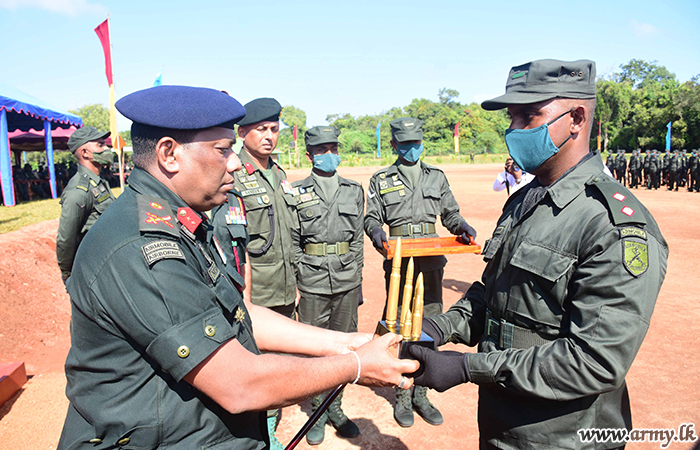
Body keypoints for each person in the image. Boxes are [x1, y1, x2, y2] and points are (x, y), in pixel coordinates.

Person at [57, 85, 419, 450]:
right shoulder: (144, 245)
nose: (233, 162)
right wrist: (355, 366)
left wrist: (345, 343)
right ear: (169, 154)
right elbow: (240, 384)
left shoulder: (177, 220)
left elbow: (235, 313)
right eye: (222, 149)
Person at [408, 59, 668, 449]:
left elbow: (593, 362)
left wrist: (467, 367)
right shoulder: (525, 201)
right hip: (502, 427)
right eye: (511, 118)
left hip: (565, 438)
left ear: (577, 118)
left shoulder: (612, 226)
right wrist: (438, 328)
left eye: (529, 116)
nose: (514, 131)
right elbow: (494, 295)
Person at [364, 117, 477, 428]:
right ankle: (403, 392)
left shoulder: (436, 177)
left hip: (430, 261)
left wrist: (462, 227)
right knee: (399, 325)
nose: (412, 149)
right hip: (400, 263)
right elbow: (372, 216)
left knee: (429, 326)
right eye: (406, 144)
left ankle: (422, 393)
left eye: (417, 143)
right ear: (394, 145)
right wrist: (375, 231)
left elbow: (450, 213)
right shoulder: (382, 178)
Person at [210, 97, 297, 448]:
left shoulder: (279, 174)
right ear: (242, 132)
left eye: (274, 130)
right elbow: (226, 241)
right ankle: (265, 432)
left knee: (280, 362)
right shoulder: (232, 174)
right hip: (253, 291)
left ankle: (270, 422)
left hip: (285, 287)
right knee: (253, 365)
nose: (269, 136)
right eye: (261, 129)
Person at [290, 125, 365, 445]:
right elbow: (293, 241)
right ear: (310, 156)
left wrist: (358, 278)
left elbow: (358, 239)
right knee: (315, 349)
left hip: (347, 277)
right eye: (322, 150)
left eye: (333, 148)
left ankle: (337, 408)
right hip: (312, 279)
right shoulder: (296, 191)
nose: (329, 154)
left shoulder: (354, 189)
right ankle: (318, 410)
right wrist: (299, 277)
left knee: (344, 346)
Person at [56, 126, 116, 282]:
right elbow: (66, 238)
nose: (107, 148)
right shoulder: (78, 191)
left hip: (109, 259)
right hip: (95, 267)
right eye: (100, 145)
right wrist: (67, 274)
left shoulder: (98, 183)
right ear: (85, 153)